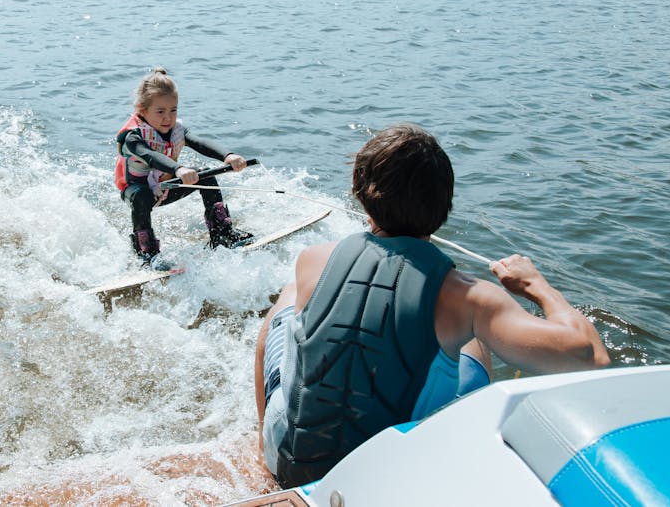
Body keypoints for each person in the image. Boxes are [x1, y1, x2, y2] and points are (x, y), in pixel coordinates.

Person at [253, 123, 610, 487]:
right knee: (471, 337)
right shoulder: (470, 297)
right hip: (378, 480)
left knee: (289, 301)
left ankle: (260, 451)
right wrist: (537, 287)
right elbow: (591, 358)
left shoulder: (315, 258)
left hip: (287, 460)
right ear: (444, 203)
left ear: (359, 192)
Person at [115, 67, 255, 270]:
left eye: (173, 110)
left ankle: (222, 233)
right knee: (141, 196)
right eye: (160, 111)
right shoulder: (133, 137)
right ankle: (147, 253)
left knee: (205, 175)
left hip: (167, 186)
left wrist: (228, 156)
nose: (168, 118)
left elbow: (199, 143)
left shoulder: (176, 129)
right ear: (142, 110)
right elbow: (150, 157)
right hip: (138, 191)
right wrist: (179, 168)